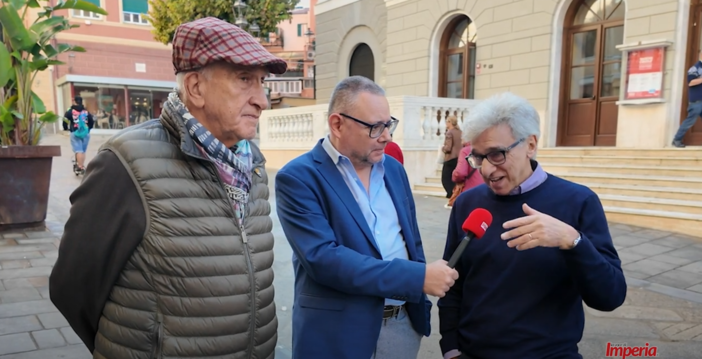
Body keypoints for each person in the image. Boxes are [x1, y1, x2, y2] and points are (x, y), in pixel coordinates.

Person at [49, 17, 287, 358]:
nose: (262, 100)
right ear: (195, 88)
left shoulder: (254, 167)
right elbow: (72, 288)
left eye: (262, 82)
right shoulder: (126, 162)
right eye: (245, 79)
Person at [275, 76, 458, 359]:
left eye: (388, 124)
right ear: (337, 124)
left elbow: (411, 242)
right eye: (375, 127)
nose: (386, 136)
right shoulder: (299, 177)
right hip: (338, 333)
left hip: (402, 325)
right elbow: (323, 259)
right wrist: (417, 277)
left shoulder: (394, 170)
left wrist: (416, 310)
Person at [438, 92, 626, 359]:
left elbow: (611, 296)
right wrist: (451, 347)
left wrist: (572, 241)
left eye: (497, 154)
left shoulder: (578, 201)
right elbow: (452, 280)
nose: (487, 170)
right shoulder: (468, 203)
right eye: (479, 157)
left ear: (530, 144)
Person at [673, 50, 702, 148]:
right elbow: (691, 82)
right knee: (690, 121)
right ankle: (677, 139)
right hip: (697, 101)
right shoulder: (695, 68)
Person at [446, 142, 483, 207]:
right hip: (487, 190)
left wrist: (454, 176)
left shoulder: (465, 151)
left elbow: (460, 173)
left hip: (470, 191)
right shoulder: (487, 147)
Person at [63, 96, 94, 172]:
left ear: (74, 102)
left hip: (75, 132)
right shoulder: (86, 111)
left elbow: (65, 121)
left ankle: (80, 166)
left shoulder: (70, 111)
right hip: (85, 133)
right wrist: (88, 129)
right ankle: (82, 165)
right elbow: (91, 121)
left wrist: (66, 128)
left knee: (78, 150)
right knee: (83, 151)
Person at [441, 115, 463, 202]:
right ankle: (454, 193)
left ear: (450, 122)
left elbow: (448, 147)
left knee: (445, 178)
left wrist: (443, 148)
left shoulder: (449, 133)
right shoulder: (460, 132)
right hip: (459, 157)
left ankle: (450, 193)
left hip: (450, 158)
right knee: (454, 178)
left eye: (447, 121)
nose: (446, 123)